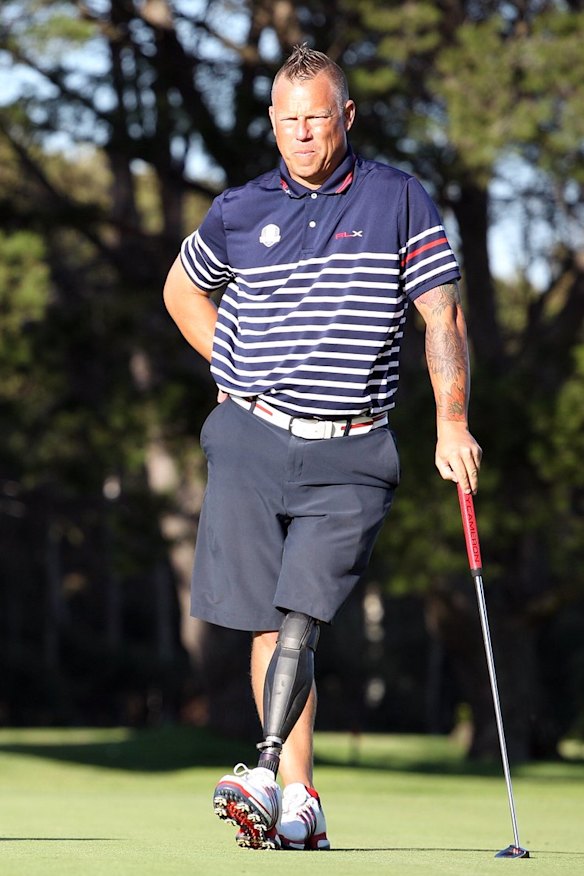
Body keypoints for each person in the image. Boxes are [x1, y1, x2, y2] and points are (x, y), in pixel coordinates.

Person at [163, 44, 482, 852]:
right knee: (267, 626)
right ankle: (298, 799)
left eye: (318, 117)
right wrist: (227, 369)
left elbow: (441, 315)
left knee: (303, 610)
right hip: (250, 438)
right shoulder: (237, 209)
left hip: (352, 448)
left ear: (347, 116)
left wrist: (451, 421)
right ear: (273, 123)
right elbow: (180, 287)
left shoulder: (396, 198)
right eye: (289, 120)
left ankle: (266, 774)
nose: (304, 134)